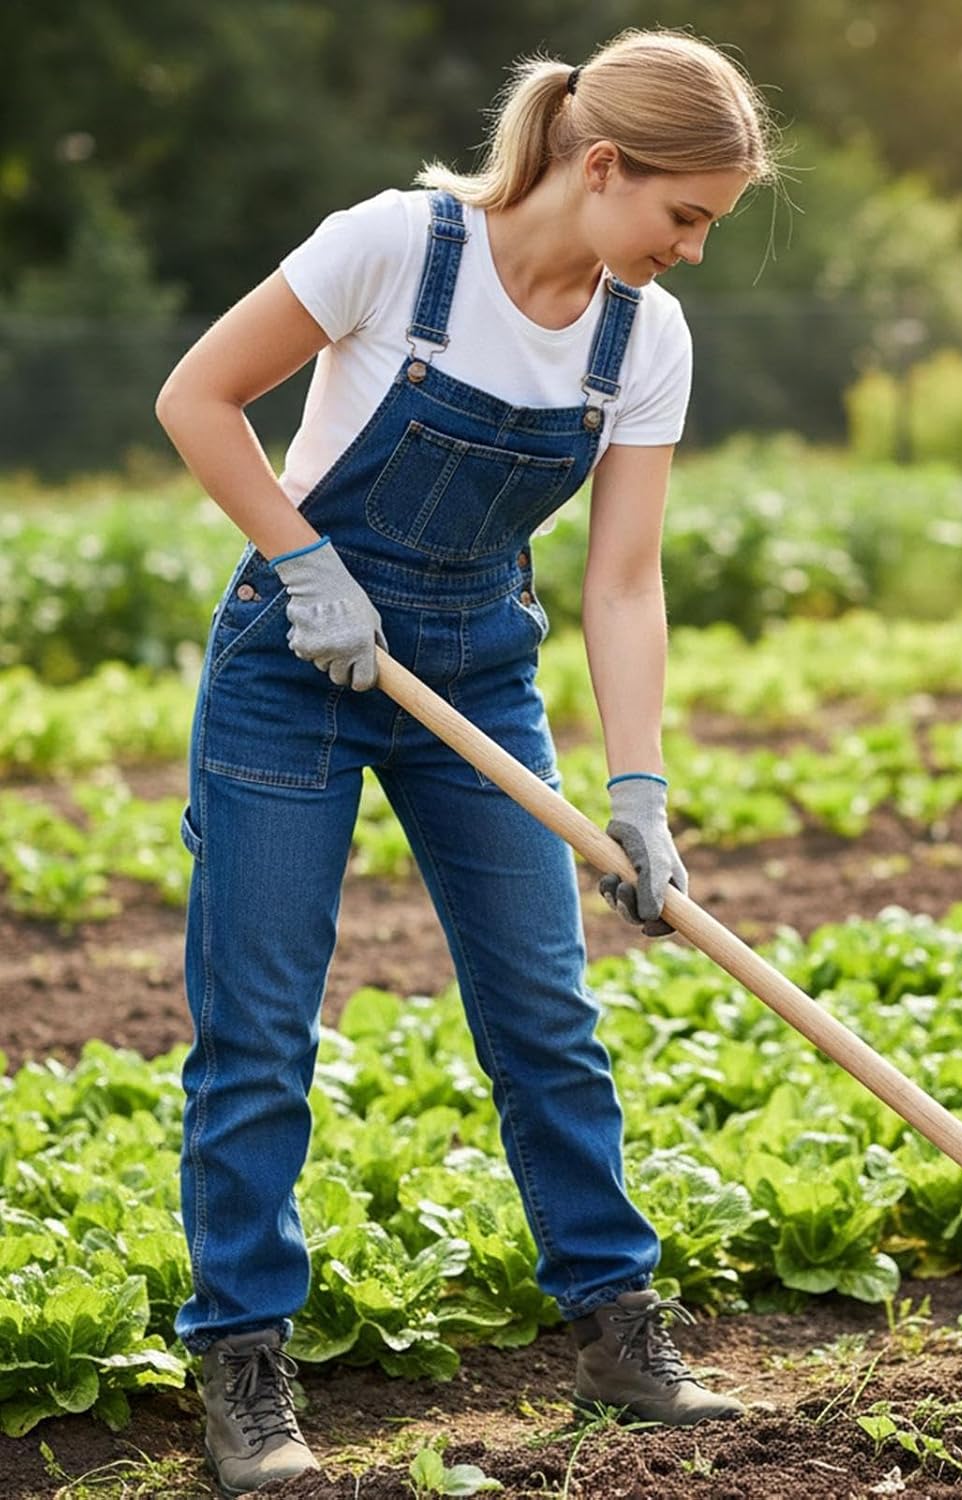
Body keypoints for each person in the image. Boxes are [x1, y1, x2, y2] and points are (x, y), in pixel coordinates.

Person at [153, 28, 781, 1495]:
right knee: (258, 1029)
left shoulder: (642, 340)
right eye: (684, 215)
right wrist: (303, 562)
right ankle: (244, 1367)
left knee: (545, 1012)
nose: (691, 251)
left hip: (476, 676)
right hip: (295, 668)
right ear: (603, 163)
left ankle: (619, 1329)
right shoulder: (398, 247)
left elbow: (625, 584)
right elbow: (199, 396)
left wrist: (639, 792)